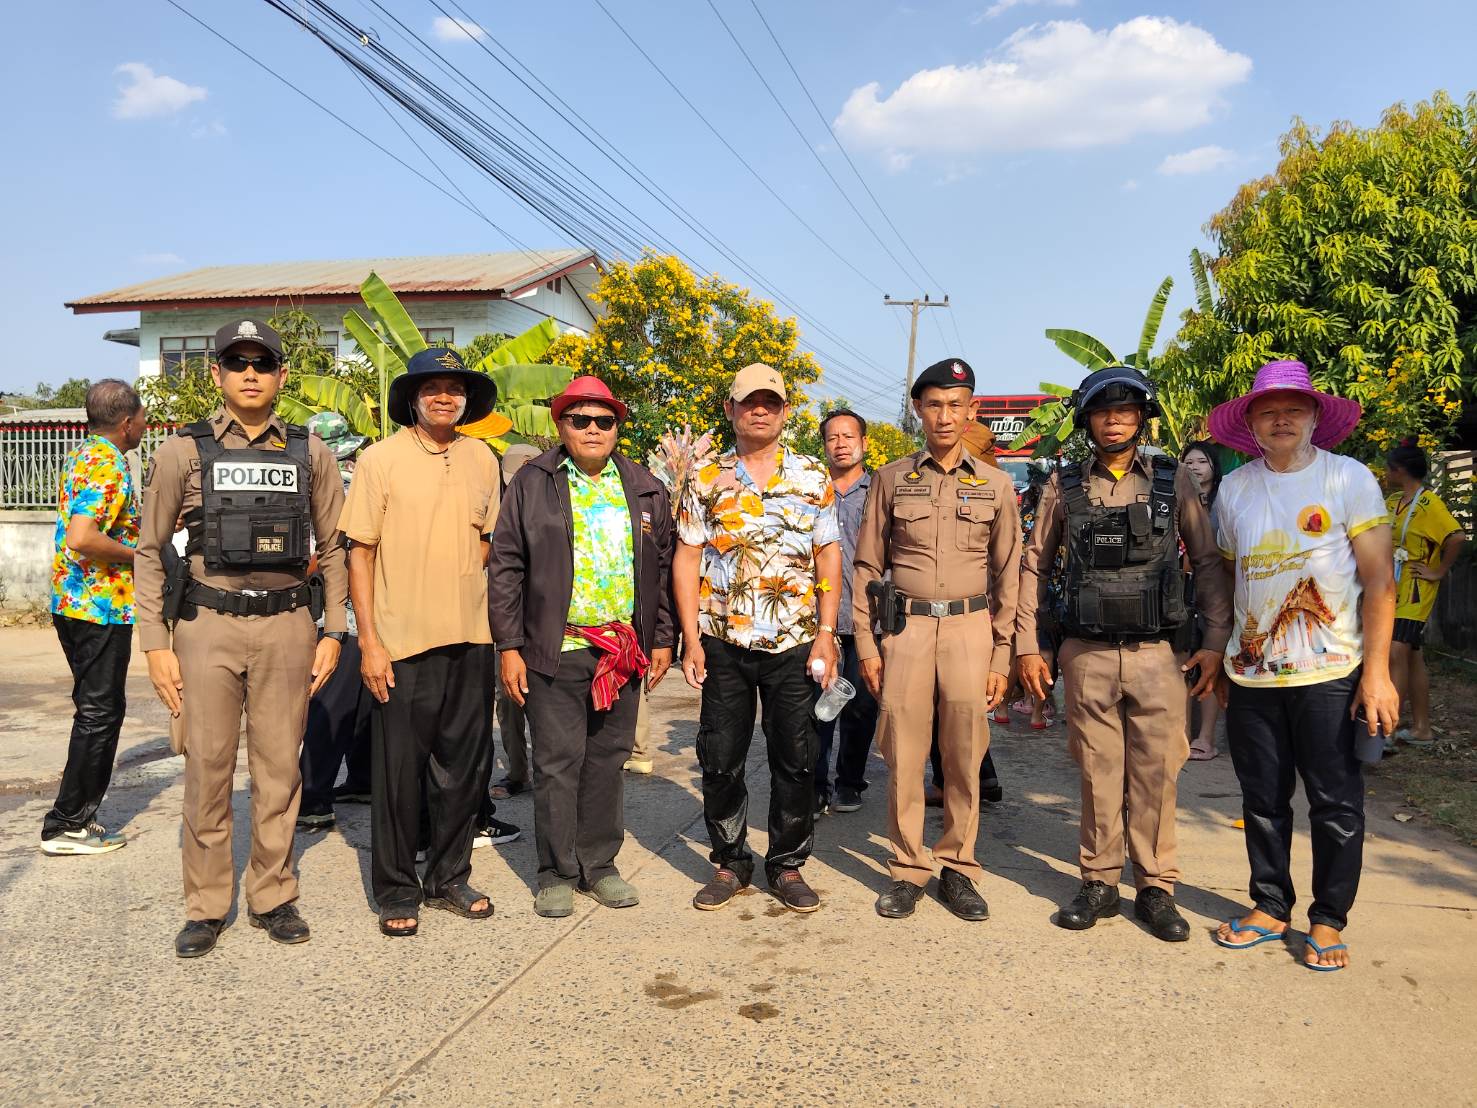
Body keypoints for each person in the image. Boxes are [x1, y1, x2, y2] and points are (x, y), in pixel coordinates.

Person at [137, 319, 347, 958]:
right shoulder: (182, 452)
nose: (249, 374)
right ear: (217, 374)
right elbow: (149, 549)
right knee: (207, 767)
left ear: (282, 375)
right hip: (207, 628)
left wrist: (335, 630)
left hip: (288, 627)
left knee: (280, 769)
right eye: (237, 363)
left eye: (262, 363)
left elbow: (334, 547)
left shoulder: (311, 453)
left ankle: (273, 895)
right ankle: (205, 906)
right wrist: (155, 644)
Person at [1017, 365, 1229, 943]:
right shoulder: (1062, 484)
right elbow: (1034, 566)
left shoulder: (1172, 479)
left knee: (1157, 772)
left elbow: (1207, 561)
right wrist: (1030, 646)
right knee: (1097, 770)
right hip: (1086, 653)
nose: (1114, 421)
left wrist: (1214, 642)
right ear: (1087, 421)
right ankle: (1100, 881)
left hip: (1158, 653)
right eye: (1103, 412)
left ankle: (1156, 886)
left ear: (1141, 418)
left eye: (1126, 410)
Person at [1209, 360, 1398, 972]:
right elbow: (1231, 578)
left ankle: (1328, 918)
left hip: (1331, 672)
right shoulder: (1234, 490)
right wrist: (1222, 653)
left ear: (1316, 415)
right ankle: (1270, 906)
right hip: (1252, 674)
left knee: (1335, 804)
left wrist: (1377, 674)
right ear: (1251, 424)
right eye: (1268, 411)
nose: (1281, 419)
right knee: (1262, 799)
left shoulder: (1348, 478)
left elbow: (1380, 582)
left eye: (1294, 408)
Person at [491, 376, 674, 918]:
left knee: (607, 761)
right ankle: (555, 872)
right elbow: (506, 566)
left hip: (622, 650)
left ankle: (600, 865)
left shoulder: (645, 487)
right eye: (580, 419)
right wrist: (509, 645)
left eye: (604, 421)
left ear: (617, 427)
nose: (593, 429)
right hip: (556, 648)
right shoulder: (532, 483)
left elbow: (662, 570)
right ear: (561, 425)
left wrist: (662, 638)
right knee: (556, 763)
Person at [339, 346, 501, 937]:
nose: (444, 396)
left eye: (454, 388)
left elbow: (487, 541)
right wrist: (370, 642)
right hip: (401, 641)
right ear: (412, 397)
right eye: (431, 387)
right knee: (399, 775)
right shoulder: (380, 460)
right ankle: (397, 888)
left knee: (463, 769)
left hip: (472, 637)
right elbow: (360, 553)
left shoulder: (483, 458)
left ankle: (449, 876)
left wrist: (454, 579)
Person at [853, 358, 1021, 922]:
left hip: (971, 630)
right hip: (907, 630)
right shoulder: (891, 479)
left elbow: (1010, 575)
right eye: (933, 405)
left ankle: (959, 866)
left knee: (965, 753)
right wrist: (868, 645)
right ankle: (907, 868)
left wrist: (1003, 654)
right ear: (918, 410)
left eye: (955, 405)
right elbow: (867, 566)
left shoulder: (996, 485)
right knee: (902, 751)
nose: (944, 416)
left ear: (972, 410)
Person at [674, 363, 841, 914]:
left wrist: (826, 633)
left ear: (786, 411)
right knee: (720, 757)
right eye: (749, 401)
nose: (760, 410)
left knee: (796, 758)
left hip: (795, 644)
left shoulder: (812, 477)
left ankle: (787, 865)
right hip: (723, 641)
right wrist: (691, 638)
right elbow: (688, 557)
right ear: (731, 410)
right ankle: (731, 862)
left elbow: (828, 555)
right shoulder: (704, 478)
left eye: (770, 401)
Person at [40, 380, 147, 856]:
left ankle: (72, 818)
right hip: (100, 605)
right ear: (127, 422)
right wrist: (140, 555)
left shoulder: (83, 454)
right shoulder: (109, 463)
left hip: (72, 601)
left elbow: (97, 524)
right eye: (142, 418)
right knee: (100, 713)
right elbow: (83, 537)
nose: (144, 425)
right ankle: (68, 824)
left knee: (94, 708)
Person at [296, 411, 372, 831]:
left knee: (328, 705)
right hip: (367, 611)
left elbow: (317, 556)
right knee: (362, 703)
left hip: (333, 612)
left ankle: (313, 798)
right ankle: (363, 780)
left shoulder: (324, 488)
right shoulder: (362, 481)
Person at [812, 407, 880, 816]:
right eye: (832, 437)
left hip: (865, 618)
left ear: (864, 443)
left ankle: (849, 782)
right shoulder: (811, 488)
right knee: (818, 707)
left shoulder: (880, 491)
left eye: (848, 436)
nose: (840, 444)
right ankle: (816, 785)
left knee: (861, 706)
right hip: (818, 619)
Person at [1383, 439, 1466, 747]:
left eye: (1389, 468)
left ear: (1400, 470)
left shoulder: (1430, 504)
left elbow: (1456, 536)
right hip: (1392, 586)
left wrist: (1439, 570)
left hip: (1416, 590)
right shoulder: (1392, 502)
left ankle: (1388, 730)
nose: (1386, 473)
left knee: (1396, 650)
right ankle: (1422, 728)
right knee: (1412, 656)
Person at [490, 443, 541, 798]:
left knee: (547, 703)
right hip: (504, 622)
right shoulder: (493, 510)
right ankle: (518, 772)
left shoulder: (556, 505)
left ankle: (551, 771)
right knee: (507, 700)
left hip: (545, 623)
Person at [1180, 440, 1225, 761]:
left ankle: (1206, 737)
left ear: (1213, 467)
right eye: (1189, 462)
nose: (1195, 467)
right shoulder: (1174, 496)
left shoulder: (1226, 501)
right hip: (1181, 592)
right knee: (1182, 663)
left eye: (1201, 462)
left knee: (1211, 663)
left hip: (1216, 592)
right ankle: (1181, 735)